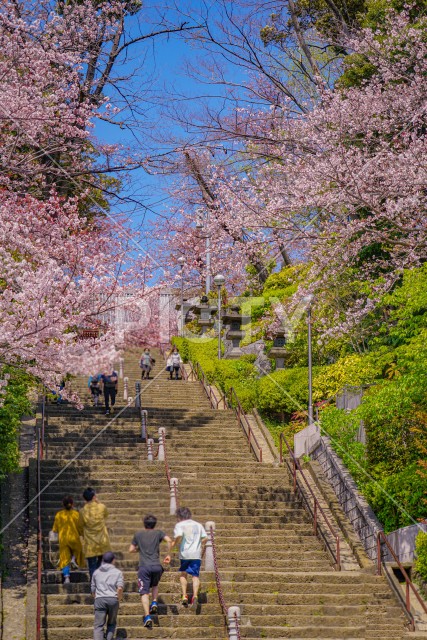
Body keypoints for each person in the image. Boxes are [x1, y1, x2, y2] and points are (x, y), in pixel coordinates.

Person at [129, 514, 173, 629]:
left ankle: (147, 616)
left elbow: (131, 549)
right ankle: (154, 602)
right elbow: (169, 540)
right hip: (156, 566)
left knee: (144, 592)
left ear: (144, 523)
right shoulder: (158, 533)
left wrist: (139, 549)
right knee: (155, 584)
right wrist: (168, 554)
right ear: (155, 524)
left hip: (144, 567)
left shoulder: (138, 534)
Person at [172, 507, 207, 607]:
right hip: (196, 553)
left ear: (179, 516)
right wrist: (198, 543)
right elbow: (205, 538)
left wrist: (174, 544)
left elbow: (178, 536)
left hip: (185, 553)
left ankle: (184, 596)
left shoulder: (180, 525)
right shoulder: (198, 525)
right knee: (195, 576)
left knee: (183, 574)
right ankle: (195, 596)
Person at [78, 487, 111, 579]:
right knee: (102, 563)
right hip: (102, 542)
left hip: (90, 543)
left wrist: (83, 535)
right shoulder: (102, 507)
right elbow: (106, 515)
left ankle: (94, 587)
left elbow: (80, 526)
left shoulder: (82, 511)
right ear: (94, 497)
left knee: (92, 566)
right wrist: (98, 502)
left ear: (85, 499)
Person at [52, 496, 84, 584]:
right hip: (74, 538)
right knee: (78, 550)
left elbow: (55, 529)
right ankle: (73, 558)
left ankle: (67, 578)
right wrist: (82, 534)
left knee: (64, 558)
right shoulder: (76, 514)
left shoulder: (59, 515)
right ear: (72, 504)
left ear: (63, 504)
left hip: (63, 539)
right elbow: (80, 527)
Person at [91, 551, 124, 640]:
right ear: (113, 560)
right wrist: (118, 598)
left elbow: (93, 589)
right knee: (111, 623)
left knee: (98, 626)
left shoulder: (96, 572)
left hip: (100, 599)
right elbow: (120, 588)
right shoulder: (118, 572)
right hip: (113, 599)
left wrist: (96, 598)